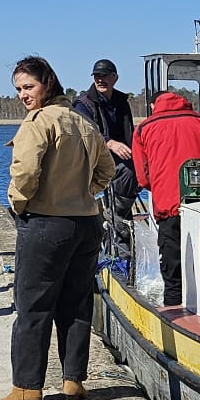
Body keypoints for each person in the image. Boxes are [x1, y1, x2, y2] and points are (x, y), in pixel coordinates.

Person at [0, 55, 114, 400]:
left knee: (33, 306)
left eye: (28, 86)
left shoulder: (38, 122)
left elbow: (25, 172)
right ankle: (73, 380)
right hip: (86, 223)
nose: (22, 95)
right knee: (76, 304)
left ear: (46, 84)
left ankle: (27, 387)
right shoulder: (83, 122)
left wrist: (19, 203)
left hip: (47, 222)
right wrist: (82, 193)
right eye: (18, 89)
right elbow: (107, 170)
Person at [130, 90, 200, 307]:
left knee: (173, 265)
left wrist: (161, 187)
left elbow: (143, 176)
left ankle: (173, 308)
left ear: (153, 106)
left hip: (168, 206)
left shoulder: (144, 128)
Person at [71, 58, 138, 267]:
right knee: (111, 207)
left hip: (120, 161)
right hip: (94, 162)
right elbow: (87, 132)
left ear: (114, 78)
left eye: (104, 76)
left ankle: (121, 247)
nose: (100, 80)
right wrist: (110, 143)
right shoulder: (83, 103)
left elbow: (129, 133)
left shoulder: (121, 101)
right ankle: (112, 250)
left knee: (131, 174)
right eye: (97, 76)